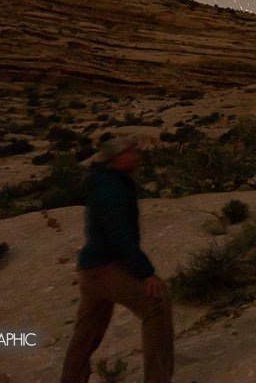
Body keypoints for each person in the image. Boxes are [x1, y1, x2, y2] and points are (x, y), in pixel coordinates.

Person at [61, 136, 174, 383]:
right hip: (104, 268)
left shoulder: (107, 181)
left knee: (87, 333)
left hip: (93, 267)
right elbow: (120, 238)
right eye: (133, 152)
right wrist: (146, 273)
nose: (138, 157)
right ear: (117, 157)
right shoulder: (113, 190)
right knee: (156, 302)